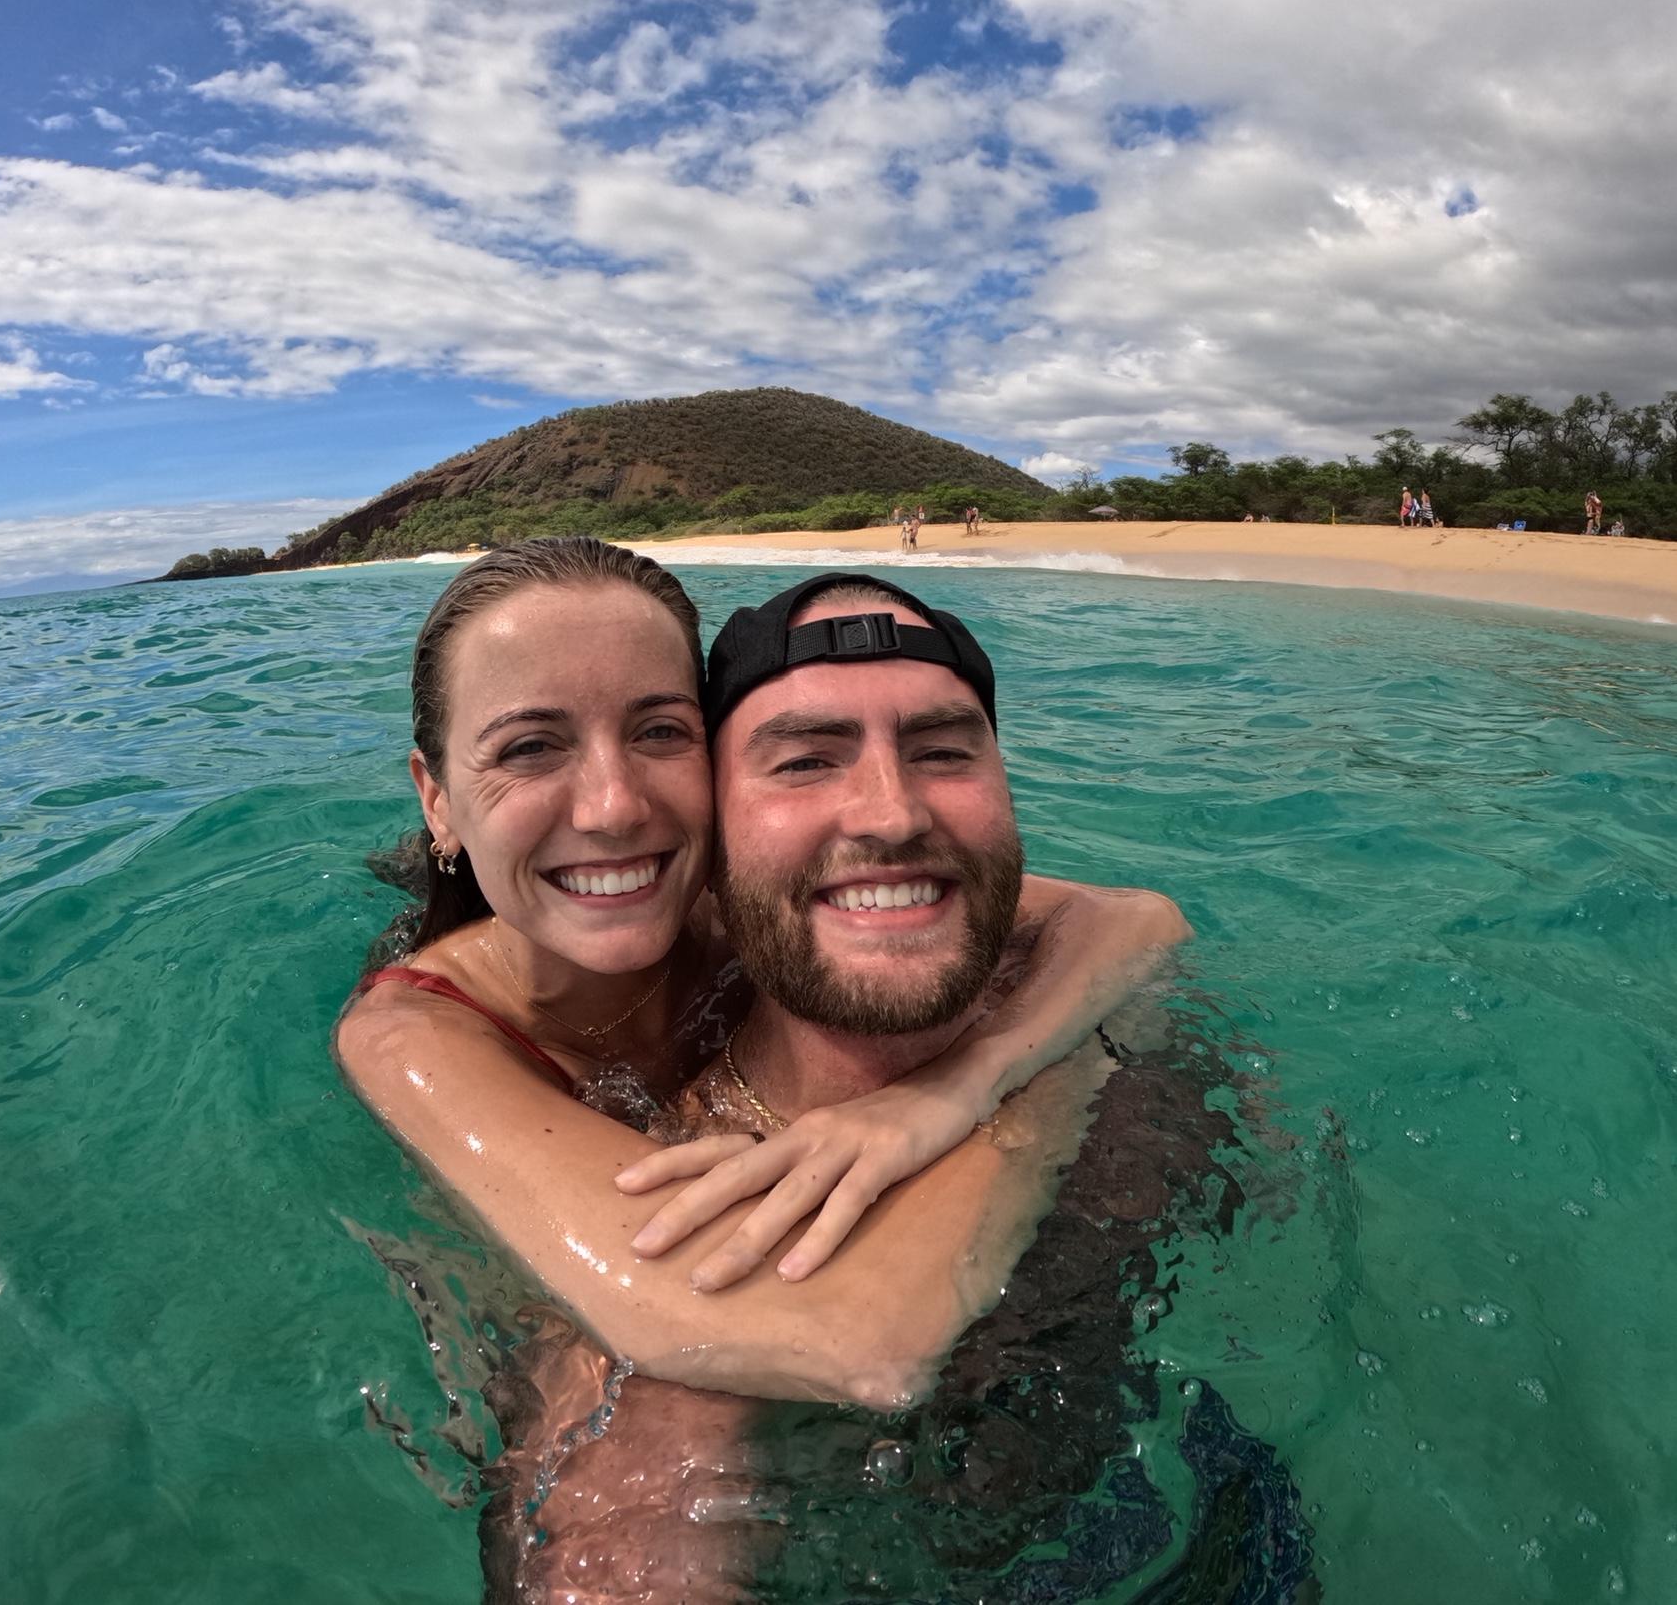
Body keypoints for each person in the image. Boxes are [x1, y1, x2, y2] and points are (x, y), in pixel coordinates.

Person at [458, 574, 1312, 1599]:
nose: (893, 813)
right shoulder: (693, 1223)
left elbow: (1141, 925)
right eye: (804, 761)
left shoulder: (1102, 995)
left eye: (943, 751)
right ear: (712, 843)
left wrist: (987, 1076)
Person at [338, 542, 1176, 1386]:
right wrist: (1068, 1075)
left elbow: (1131, 920)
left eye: (659, 732)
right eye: (529, 748)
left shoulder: (726, 900)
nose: (615, 807)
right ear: (437, 800)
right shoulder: (413, 1037)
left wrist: (965, 1083)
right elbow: (829, 1344)